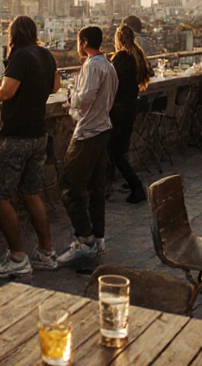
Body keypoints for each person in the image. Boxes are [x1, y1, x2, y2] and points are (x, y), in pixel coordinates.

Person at [0, 16, 60, 278]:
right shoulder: (45, 54)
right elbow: (55, 86)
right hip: (38, 134)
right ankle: (46, 251)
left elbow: (6, 92)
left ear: (13, 34)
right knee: (31, 192)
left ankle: (18, 256)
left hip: (15, 135)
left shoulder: (20, 56)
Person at [57, 26, 118, 266]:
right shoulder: (109, 66)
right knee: (95, 186)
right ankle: (98, 237)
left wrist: (71, 96)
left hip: (89, 132)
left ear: (83, 42)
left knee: (69, 184)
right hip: (103, 127)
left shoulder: (93, 66)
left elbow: (83, 98)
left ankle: (85, 239)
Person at [109, 23, 152, 204]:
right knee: (122, 148)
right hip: (130, 107)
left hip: (119, 109)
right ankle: (129, 180)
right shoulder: (137, 55)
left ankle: (135, 186)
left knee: (114, 152)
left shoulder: (122, 57)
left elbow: (110, 79)